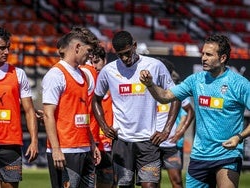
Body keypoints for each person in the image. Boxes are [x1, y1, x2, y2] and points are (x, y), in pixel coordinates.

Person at [140, 34, 250, 188]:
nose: (203, 58)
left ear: (223, 57)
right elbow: (165, 96)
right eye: (203, 53)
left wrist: (239, 137)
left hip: (228, 154)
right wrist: (150, 84)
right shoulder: (195, 80)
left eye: (209, 54)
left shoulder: (240, 84)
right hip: (200, 155)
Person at [92, 30, 181, 188]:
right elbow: (95, 100)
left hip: (148, 142)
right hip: (121, 142)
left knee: (150, 186)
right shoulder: (108, 71)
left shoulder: (155, 66)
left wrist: (166, 130)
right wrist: (104, 126)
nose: (125, 58)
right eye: (120, 55)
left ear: (134, 46)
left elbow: (175, 96)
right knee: (124, 185)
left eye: (127, 53)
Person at [42, 26, 101, 188]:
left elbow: (83, 114)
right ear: (77, 47)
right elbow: (48, 115)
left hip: (84, 149)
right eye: (88, 50)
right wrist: (56, 150)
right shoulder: (56, 75)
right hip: (65, 151)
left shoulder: (82, 75)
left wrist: (92, 143)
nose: (90, 55)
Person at [0, 27, 38, 188]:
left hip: (10, 142)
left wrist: (34, 141)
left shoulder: (18, 74)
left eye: (8, 48)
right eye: (1, 48)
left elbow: (29, 111)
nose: (6, 52)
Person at [156, 58, 195, 188]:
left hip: (170, 145)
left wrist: (180, 133)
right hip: (151, 144)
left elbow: (190, 111)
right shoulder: (148, 89)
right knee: (153, 183)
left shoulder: (176, 91)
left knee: (177, 181)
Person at [90, 45, 116, 188]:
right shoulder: (88, 85)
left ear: (104, 60)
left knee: (111, 184)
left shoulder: (114, 83)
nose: (94, 66)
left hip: (112, 145)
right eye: (91, 62)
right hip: (93, 143)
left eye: (97, 61)